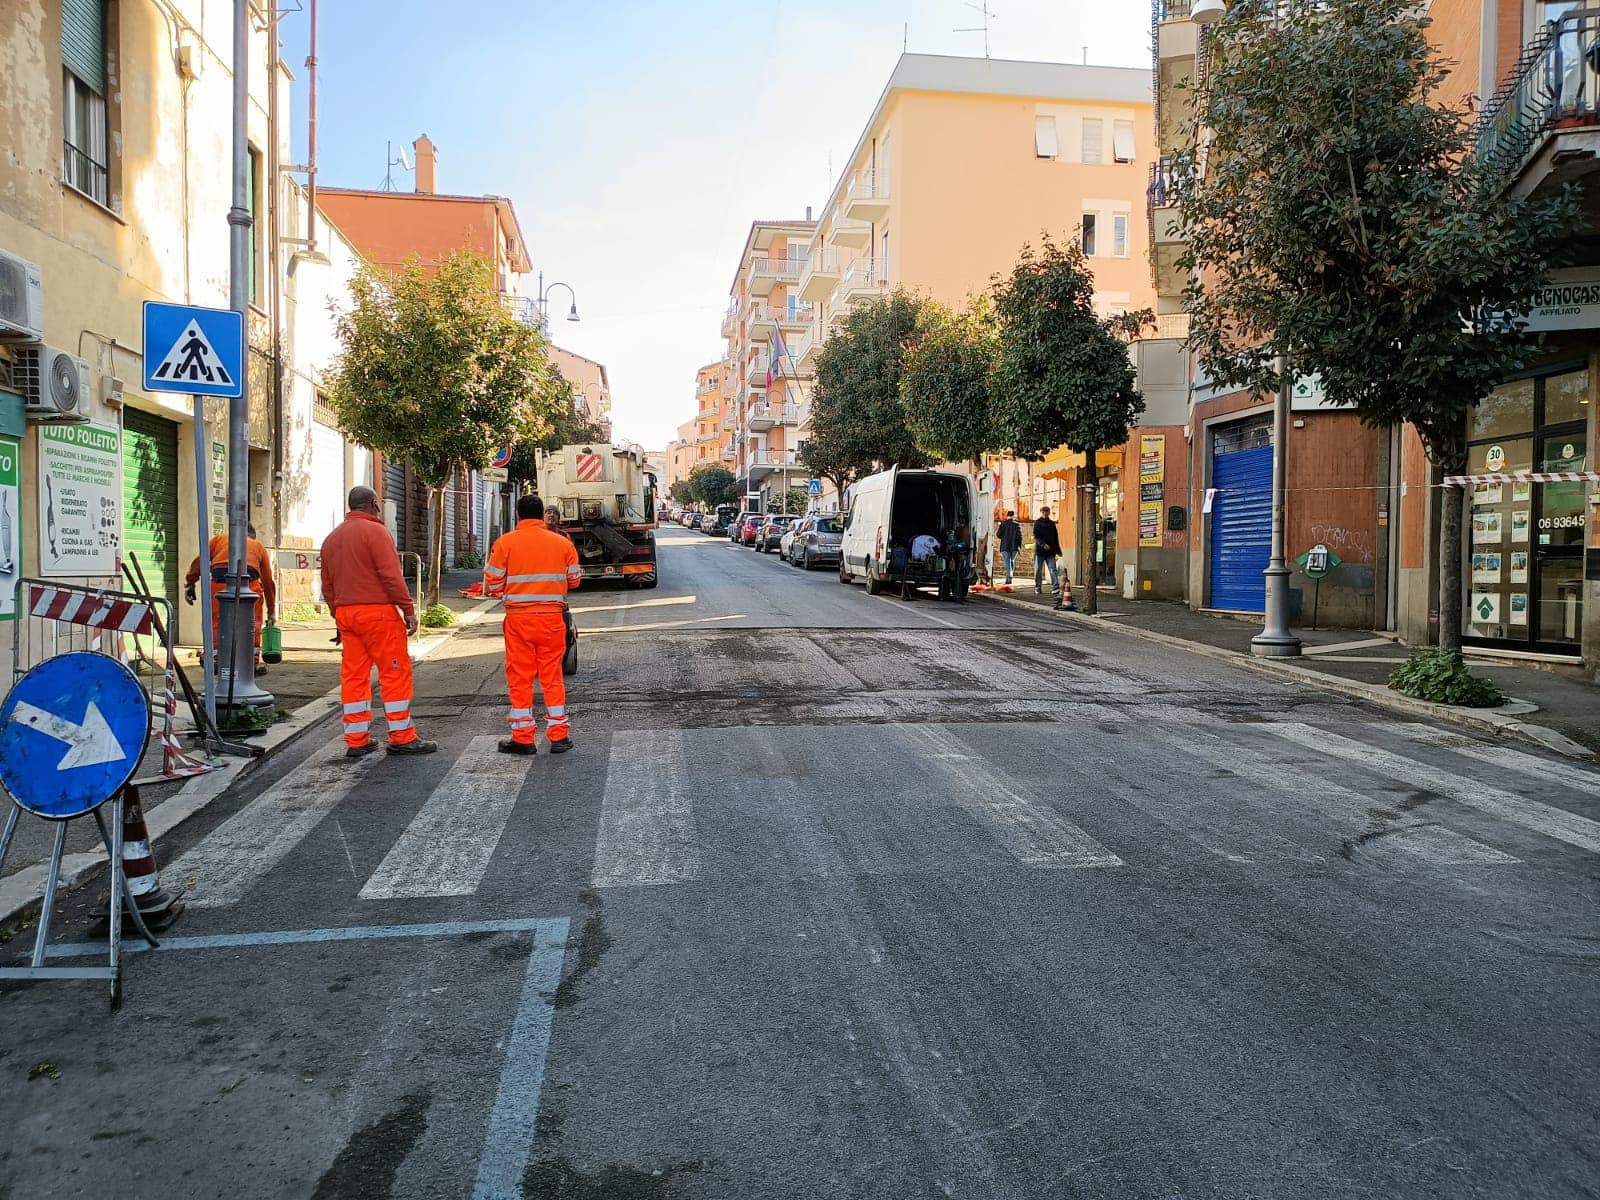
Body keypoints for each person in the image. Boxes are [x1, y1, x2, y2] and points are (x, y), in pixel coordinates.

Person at [320, 486, 435, 758]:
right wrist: (408, 609)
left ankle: (357, 739)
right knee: (394, 673)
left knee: (354, 677)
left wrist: (338, 616)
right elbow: (390, 576)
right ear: (373, 503)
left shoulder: (331, 539)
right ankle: (402, 737)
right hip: (378, 615)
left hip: (348, 615)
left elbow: (327, 585)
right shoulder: (376, 532)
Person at [484, 493, 582, 756]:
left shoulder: (505, 543)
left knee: (520, 677)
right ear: (542, 515)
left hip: (519, 620)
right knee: (552, 676)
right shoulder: (561, 543)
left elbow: (492, 584)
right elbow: (574, 580)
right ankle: (559, 736)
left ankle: (523, 738)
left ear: (518, 515)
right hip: (552, 619)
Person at [185, 523, 276, 672]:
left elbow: (199, 562)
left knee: (216, 621)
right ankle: (251, 662)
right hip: (249, 585)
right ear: (252, 536)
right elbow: (268, 582)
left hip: (220, 583)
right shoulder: (258, 546)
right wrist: (271, 611)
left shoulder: (218, 540)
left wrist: (190, 582)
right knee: (252, 623)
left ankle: (215, 659)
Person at [1032, 506, 1062, 596]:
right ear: (1041, 513)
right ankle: (1038, 587)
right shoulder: (1037, 523)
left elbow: (1055, 538)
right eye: (1043, 512)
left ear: (1049, 513)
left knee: (1053, 569)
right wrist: (1043, 544)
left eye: (1046, 512)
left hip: (1050, 551)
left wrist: (1058, 550)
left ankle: (1055, 587)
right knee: (1038, 570)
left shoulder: (1052, 524)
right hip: (1040, 551)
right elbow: (1036, 536)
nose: (1045, 514)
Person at [996, 511, 1023, 585]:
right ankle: (1009, 577)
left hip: (1005, 546)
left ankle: (1009, 576)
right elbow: (1020, 537)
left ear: (1007, 516)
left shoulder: (1003, 524)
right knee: (1012, 561)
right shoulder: (1017, 525)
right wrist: (1019, 547)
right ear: (1013, 516)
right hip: (1014, 546)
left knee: (1007, 561)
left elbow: (998, 535)